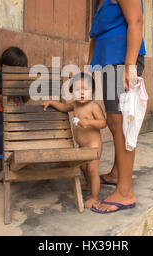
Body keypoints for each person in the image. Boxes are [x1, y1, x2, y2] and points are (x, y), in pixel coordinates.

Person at [75, 0, 146, 213]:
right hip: (107, 66)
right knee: (115, 124)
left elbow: (136, 21)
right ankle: (117, 174)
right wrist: (90, 68)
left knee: (123, 123)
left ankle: (125, 192)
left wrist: (129, 66)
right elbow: (94, 36)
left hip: (122, 64)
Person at [43, 73, 107, 209]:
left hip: (93, 145)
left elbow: (103, 123)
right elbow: (64, 108)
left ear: (93, 92)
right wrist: (52, 102)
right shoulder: (74, 104)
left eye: (86, 89)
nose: (82, 93)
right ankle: (89, 185)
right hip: (82, 144)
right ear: (72, 92)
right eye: (78, 90)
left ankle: (95, 198)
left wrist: (89, 122)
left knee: (92, 170)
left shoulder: (93, 106)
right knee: (83, 167)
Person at [0, 47, 29, 160]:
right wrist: (8, 95)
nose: (15, 70)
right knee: (3, 141)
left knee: (20, 139)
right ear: (4, 65)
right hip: (2, 114)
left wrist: (25, 90)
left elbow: (25, 99)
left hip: (19, 114)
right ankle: (6, 166)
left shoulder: (22, 79)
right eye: (12, 67)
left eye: (19, 68)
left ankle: (21, 162)